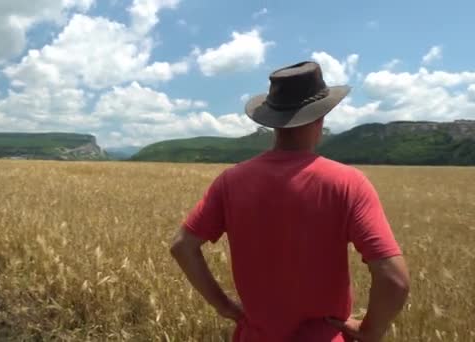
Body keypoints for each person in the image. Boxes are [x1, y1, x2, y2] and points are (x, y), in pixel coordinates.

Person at [170, 61, 410, 341]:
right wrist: (370, 330)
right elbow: (394, 279)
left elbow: (182, 247)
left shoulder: (230, 181)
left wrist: (226, 308)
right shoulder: (348, 183)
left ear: (273, 121)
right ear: (321, 118)